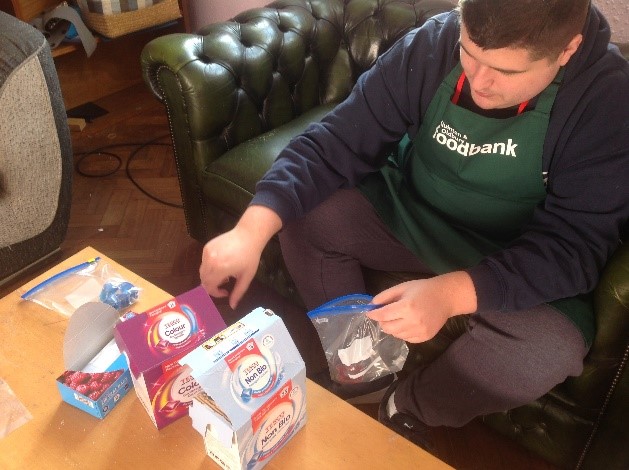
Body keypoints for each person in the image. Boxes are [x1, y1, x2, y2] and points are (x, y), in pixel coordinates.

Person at [199, 0, 629, 448]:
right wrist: (252, 228)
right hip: (412, 212)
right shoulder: (432, 44)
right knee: (307, 216)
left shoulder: (606, 101)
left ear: (567, 49)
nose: (479, 82)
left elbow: (574, 246)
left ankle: (402, 408)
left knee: (546, 351)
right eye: (470, 52)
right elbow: (335, 142)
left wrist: (451, 293)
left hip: (515, 253)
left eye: (507, 71)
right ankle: (363, 380)